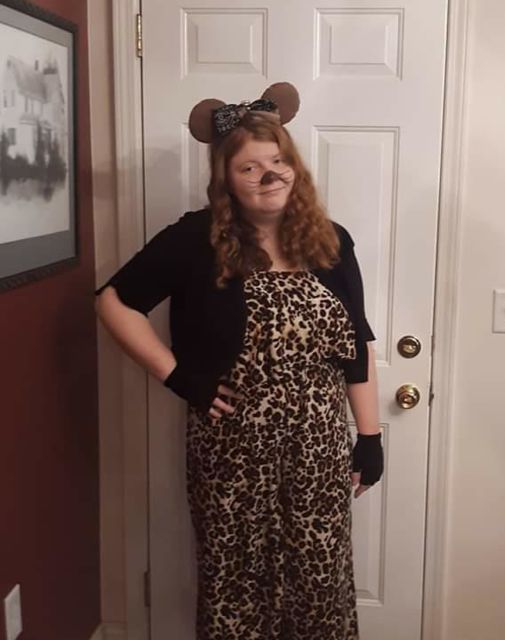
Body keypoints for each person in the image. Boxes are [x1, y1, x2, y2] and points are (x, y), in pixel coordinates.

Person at [95, 82, 383, 640]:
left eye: (278, 162)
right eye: (250, 167)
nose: (269, 175)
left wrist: (369, 437)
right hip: (230, 450)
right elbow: (114, 302)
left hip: (319, 449)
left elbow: (358, 343)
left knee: (319, 582)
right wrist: (179, 376)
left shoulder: (330, 241)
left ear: (294, 167)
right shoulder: (196, 238)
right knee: (235, 583)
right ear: (225, 178)